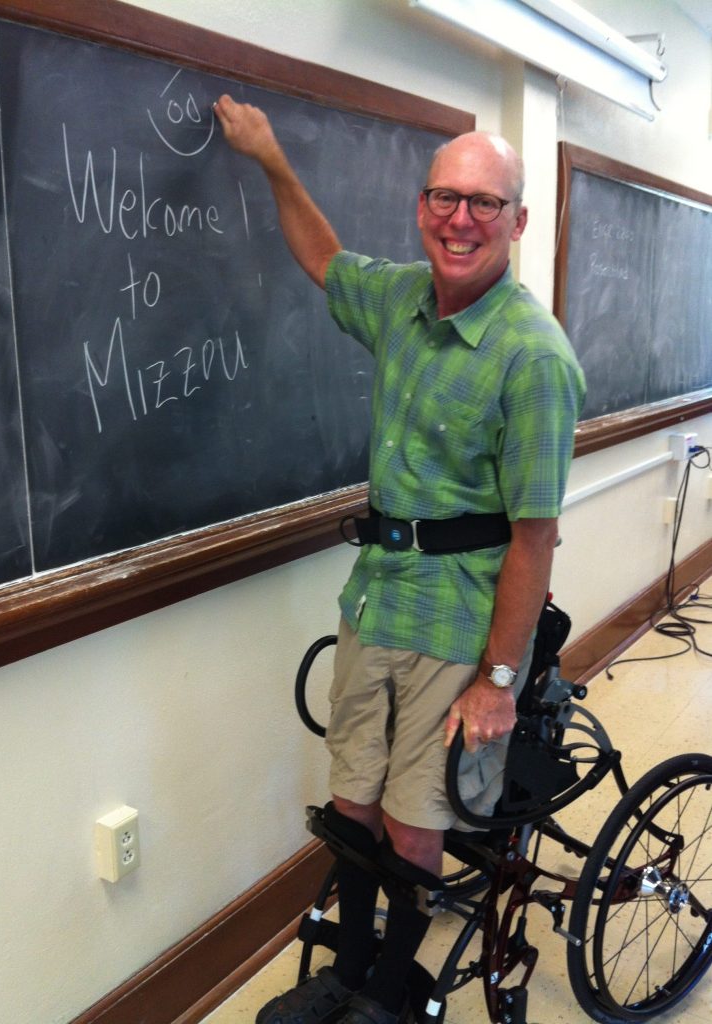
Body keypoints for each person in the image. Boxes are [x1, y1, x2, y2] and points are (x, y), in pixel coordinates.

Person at [214, 93, 585, 1024]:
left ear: (517, 221)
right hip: (375, 598)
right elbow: (323, 259)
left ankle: (392, 991)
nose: (460, 220)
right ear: (422, 207)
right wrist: (270, 158)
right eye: (443, 198)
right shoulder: (398, 301)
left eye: (484, 203)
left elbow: (534, 537)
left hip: (458, 619)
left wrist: (500, 679)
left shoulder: (532, 359)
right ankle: (346, 968)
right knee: (352, 804)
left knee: (418, 820)